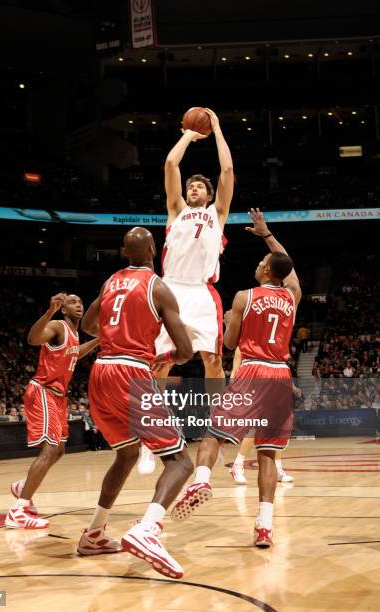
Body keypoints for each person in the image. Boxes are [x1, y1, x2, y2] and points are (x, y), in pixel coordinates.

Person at [171, 208, 302, 548]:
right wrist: (267, 234)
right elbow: (291, 270)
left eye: (262, 262)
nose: (258, 265)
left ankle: (201, 481)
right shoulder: (292, 296)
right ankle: (264, 526)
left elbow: (229, 344)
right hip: (280, 376)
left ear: (268, 270)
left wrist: (231, 319)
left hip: (253, 370)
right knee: (268, 455)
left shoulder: (245, 296)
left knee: (214, 433)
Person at [78, 227, 193, 579]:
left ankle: (94, 533)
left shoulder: (111, 281)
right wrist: (166, 353)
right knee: (180, 461)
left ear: (125, 253)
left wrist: (116, 336)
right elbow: (186, 352)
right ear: (154, 249)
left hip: (99, 372)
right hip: (131, 372)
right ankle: (148, 529)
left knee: (126, 453)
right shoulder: (157, 287)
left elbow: (87, 324)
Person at [137, 108, 234, 475]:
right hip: (171, 291)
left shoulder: (216, 214)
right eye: (191, 185)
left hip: (203, 293)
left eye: (200, 187)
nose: (193, 189)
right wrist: (189, 136)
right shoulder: (175, 211)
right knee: (158, 363)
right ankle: (153, 437)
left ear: (208, 195)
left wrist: (219, 128)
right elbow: (169, 165)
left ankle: (217, 432)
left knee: (213, 362)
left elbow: (226, 172)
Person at [5, 293, 98, 529]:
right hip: (44, 390)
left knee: (59, 450)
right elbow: (33, 339)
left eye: (80, 301)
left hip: (58, 396)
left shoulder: (75, 335)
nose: (79, 304)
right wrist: (50, 311)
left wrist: (99, 340)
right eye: (73, 302)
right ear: (64, 309)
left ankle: (21, 487)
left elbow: (75, 352)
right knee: (50, 449)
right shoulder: (58, 325)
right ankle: (18, 511)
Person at [229, 348, 297, 485]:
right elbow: (238, 357)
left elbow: (279, 359)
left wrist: (291, 384)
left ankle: (277, 469)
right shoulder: (249, 338)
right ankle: (238, 464)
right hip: (255, 377)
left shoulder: (276, 337)